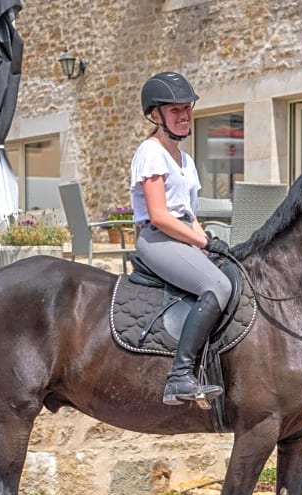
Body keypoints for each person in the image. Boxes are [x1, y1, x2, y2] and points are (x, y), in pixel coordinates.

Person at [130, 71, 233, 406]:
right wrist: (200, 243)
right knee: (217, 286)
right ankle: (179, 377)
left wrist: (206, 241)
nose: (184, 115)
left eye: (187, 109)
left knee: (233, 274)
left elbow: (190, 215)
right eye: (175, 111)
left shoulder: (185, 160)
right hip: (157, 239)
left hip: (182, 238)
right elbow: (160, 214)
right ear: (156, 115)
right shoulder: (151, 152)